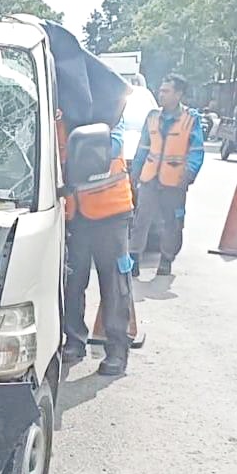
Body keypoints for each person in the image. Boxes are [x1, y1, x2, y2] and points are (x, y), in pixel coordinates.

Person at [63, 127, 136, 377]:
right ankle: (74, 340)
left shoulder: (110, 109)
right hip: (73, 213)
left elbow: (108, 148)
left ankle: (117, 349)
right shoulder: (59, 108)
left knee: (114, 284)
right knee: (72, 282)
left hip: (110, 211)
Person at [128, 74, 205, 278]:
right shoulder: (152, 117)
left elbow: (197, 150)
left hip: (175, 181)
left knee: (172, 223)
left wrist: (189, 173)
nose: (161, 95)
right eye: (160, 91)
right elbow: (143, 148)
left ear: (178, 94)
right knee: (141, 220)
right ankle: (134, 259)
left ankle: (166, 259)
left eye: (166, 91)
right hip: (150, 179)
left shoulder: (191, 119)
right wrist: (135, 172)